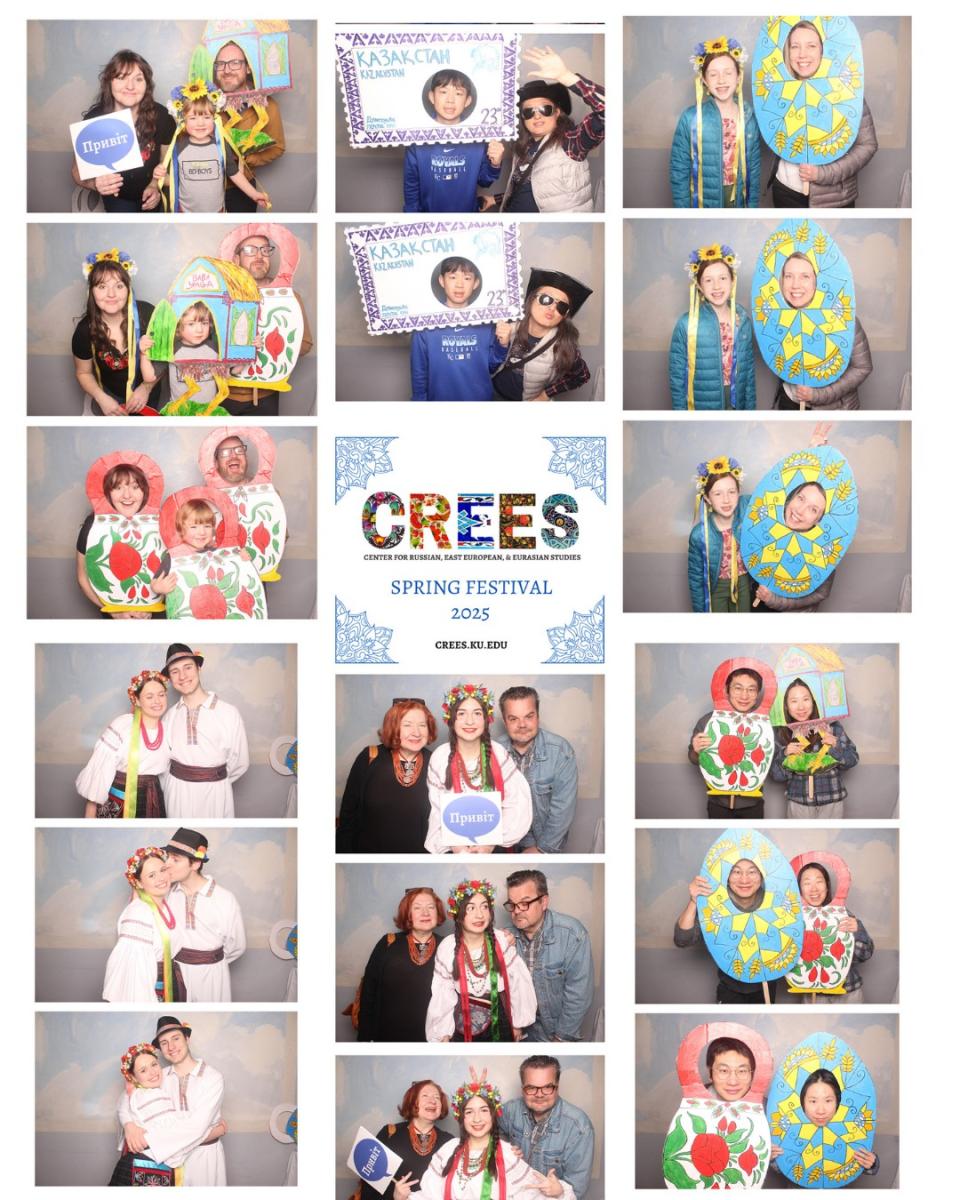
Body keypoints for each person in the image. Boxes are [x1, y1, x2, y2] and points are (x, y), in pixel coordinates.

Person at [769, 21, 878, 208]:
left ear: (823, 50)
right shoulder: (779, 91)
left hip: (832, 198)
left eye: (811, 45)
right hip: (785, 191)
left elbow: (867, 145)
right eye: (795, 46)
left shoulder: (847, 92)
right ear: (788, 51)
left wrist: (823, 173)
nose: (802, 54)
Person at [418, 1077, 576, 1198]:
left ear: (493, 1115)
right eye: (469, 1112)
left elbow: (532, 1193)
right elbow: (428, 1194)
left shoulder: (507, 1153)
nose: (477, 1118)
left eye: (484, 1110)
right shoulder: (448, 1149)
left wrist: (559, 1192)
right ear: (462, 1118)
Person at [494, 46, 604, 213]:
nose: (537, 116)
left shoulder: (572, 143)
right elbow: (534, 189)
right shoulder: (523, 148)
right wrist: (494, 199)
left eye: (545, 109)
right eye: (529, 112)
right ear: (523, 118)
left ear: (557, 112)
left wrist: (565, 76)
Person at [425, 683, 532, 854]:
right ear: (451, 720)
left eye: (477, 713)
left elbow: (516, 802)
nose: (470, 721)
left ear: (486, 719)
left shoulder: (498, 753)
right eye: (461, 714)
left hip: (493, 847)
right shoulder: (440, 756)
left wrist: (490, 843)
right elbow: (438, 809)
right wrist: (457, 846)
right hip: (454, 848)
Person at [119, 1016, 227, 1186]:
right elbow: (127, 1098)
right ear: (160, 1049)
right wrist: (128, 1126)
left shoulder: (212, 1077)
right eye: (164, 1043)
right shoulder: (160, 1075)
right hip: (166, 1160)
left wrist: (146, 1139)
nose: (171, 1047)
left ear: (187, 1038)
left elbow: (195, 1127)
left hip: (203, 1158)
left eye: (176, 1038)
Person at [219, 225, 315, 415]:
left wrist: (271, 337)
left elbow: (305, 345)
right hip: (223, 396)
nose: (259, 256)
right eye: (250, 250)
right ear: (236, 259)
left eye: (265, 249)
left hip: (266, 398)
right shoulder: (222, 297)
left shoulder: (289, 297)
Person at [425, 879, 536, 1042]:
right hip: (462, 1024)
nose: (480, 914)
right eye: (471, 908)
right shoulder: (448, 947)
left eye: (484, 906)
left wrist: (518, 1023)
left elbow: (518, 982)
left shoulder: (501, 940)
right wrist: (443, 1033)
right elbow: (443, 993)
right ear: (458, 915)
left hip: (500, 1021)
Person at [72, 50, 174, 213]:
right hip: (118, 199)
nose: (130, 86)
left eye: (138, 79)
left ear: (147, 84)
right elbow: (76, 172)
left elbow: (165, 163)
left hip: (151, 197)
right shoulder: (95, 120)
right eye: (121, 77)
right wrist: (95, 184)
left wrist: (155, 185)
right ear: (109, 82)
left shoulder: (162, 117)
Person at [771, 252, 873, 409]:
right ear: (781, 281)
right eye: (789, 276)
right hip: (788, 403)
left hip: (832, 408)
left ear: (817, 281)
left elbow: (862, 367)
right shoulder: (776, 320)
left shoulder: (844, 320)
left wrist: (817, 395)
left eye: (805, 276)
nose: (795, 284)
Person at [159, 644, 249, 819]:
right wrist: (173, 788)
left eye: (188, 667)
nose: (183, 676)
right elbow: (163, 763)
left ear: (199, 668)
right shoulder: (170, 716)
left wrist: (214, 781)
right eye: (175, 671)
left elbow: (240, 761)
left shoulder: (228, 712)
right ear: (170, 678)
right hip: (178, 793)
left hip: (216, 792)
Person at [337, 699, 437, 853]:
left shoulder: (437, 763)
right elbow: (347, 816)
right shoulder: (369, 757)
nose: (416, 732)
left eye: (422, 725)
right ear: (394, 727)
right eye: (407, 725)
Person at [670, 36, 761, 207]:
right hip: (704, 203)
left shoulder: (749, 118)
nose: (721, 80)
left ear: (738, 77)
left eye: (728, 73)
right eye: (713, 74)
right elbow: (679, 171)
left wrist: (752, 208)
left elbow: (754, 171)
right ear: (704, 80)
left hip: (738, 201)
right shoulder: (690, 118)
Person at [674, 859, 780, 1003]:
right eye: (736, 871)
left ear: (761, 875)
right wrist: (694, 901)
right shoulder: (715, 903)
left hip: (767, 988)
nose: (744, 879)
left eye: (752, 871)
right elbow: (682, 939)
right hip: (729, 990)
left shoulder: (775, 901)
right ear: (726, 876)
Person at [505, 872, 593, 1042]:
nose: (516, 911)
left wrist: (561, 1038)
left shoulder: (572, 934)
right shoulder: (504, 937)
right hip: (519, 1030)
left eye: (524, 903)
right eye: (512, 904)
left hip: (556, 1032)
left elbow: (579, 994)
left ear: (543, 902)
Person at [153, 85, 267, 213]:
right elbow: (170, 178)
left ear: (214, 118)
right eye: (193, 118)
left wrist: (254, 194)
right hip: (185, 213)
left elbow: (233, 173)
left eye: (206, 117)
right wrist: (159, 173)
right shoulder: (178, 146)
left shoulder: (220, 145)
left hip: (217, 212)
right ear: (183, 120)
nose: (200, 123)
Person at [410, 258, 511, 402]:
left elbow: (490, 367)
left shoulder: (488, 321)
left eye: (467, 278)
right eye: (452, 277)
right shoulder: (425, 322)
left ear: (475, 283)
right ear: (441, 280)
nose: (459, 284)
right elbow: (419, 373)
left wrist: (502, 345)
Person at [73, 250, 160, 416]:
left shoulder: (147, 314)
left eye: (119, 286)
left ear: (128, 289)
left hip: (149, 394)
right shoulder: (84, 331)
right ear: (91, 291)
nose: (111, 294)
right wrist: (101, 398)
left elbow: (164, 360)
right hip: (109, 397)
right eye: (102, 286)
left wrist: (146, 388)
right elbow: (83, 372)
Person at [403, 69, 504, 212]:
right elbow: (411, 190)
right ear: (432, 97)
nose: (450, 100)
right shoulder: (416, 138)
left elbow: (485, 181)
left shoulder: (479, 136)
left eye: (458, 93)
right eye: (443, 92)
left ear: (468, 100)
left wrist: (495, 163)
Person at [164, 828, 246, 1003]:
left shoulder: (224, 898)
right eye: (168, 857)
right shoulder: (168, 895)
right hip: (176, 972)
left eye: (175, 859)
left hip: (212, 975)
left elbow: (237, 945)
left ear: (195, 864)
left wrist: (211, 962)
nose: (167, 864)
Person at [669, 245, 755, 410]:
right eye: (708, 280)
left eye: (722, 278)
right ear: (699, 286)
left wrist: (750, 410)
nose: (716, 286)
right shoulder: (686, 324)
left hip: (737, 404)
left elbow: (749, 374)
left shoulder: (743, 321)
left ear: (732, 281)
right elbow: (677, 379)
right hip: (702, 404)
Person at [76, 668, 170, 818]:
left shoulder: (167, 729)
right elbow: (99, 772)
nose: (157, 701)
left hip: (153, 801)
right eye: (149, 696)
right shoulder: (123, 725)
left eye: (161, 695)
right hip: (120, 799)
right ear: (137, 700)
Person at [356, 888, 446, 1041]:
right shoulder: (388, 943)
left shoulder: (447, 946)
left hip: (431, 1038)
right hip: (387, 1036)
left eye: (431, 907)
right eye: (417, 907)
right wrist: (365, 1038)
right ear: (407, 914)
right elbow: (368, 992)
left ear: (437, 913)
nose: (425, 912)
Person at [75, 459, 161, 619]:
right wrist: (115, 612)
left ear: (145, 491)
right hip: (113, 615)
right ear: (108, 493)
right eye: (118, 488)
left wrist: (150, 608)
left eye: (135, 487)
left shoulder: (162, 523)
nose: (127, 495)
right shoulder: (92, 525)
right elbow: (82, 578)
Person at [499, 1056, 594, 1200]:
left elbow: (577, 1190)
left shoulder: (579, 1127)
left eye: (547, 1087)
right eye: (531, 1087)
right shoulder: (509, 1110)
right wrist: (502, 1150)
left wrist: (559, 1190)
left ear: (557, 1087)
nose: (539, 1094)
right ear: (523, 1089)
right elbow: (488, 1131)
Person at [496, 687, 578, 853]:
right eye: (513, 719)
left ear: (538, 716)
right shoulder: (493, 750)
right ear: (505, 722)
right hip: (503, 843)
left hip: (545, 842)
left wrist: (541, 849)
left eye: (529, 716)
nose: (522, 725)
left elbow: (563, 809)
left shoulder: (560, 751)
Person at [493, 270, 592, 402]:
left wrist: (545, 395)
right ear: (531, 299)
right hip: (493, 394)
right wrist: (502, 345)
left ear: (565, 315)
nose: (552, 308)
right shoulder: (507, 327)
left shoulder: (563, 345)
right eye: (546, 299)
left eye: (561, 306)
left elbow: (582, 376)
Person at [103, 846, 185, 1003]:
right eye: (152, 875)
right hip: (152, 991)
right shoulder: (138, 913)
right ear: (139, 883)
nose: (161, 878)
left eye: (162, 870)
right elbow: (136, 976)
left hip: (169, 984)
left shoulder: (166, 905)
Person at [213, 41, 286, 213]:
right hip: (203, 186)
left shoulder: (268, 107)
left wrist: (245, 159)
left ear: (248, 68)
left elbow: (278, 147)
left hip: (242, 189)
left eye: (235, 63)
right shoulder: (205, 104)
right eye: (221, 64)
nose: (227, 70)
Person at [771, 679, 860, 816]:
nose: (801, 707)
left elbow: (853, 759)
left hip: (832, 798)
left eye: (806, 699)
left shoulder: (832, 726)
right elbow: (777, 776)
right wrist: (785, 754)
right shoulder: (782, 732)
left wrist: (835, 747)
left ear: (814, 701)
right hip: (798, 801)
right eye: (794, 701)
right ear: (786, 706)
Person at [688, 666, 767, 819]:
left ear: (757, 694)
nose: (744, 695)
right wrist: (696, 751)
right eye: (738, 688)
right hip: (718, 805)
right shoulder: (708, 722)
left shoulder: (763, 725)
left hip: (752, 805)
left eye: (751, 689)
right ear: (727, 690)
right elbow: (692, 758)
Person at [359, 1080, 456, 1200]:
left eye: (437, 1098)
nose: (432, 1100)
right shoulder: (389, 1133)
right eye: (425, 1095)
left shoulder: (449, 1142)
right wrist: (395, 1198)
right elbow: (368, 1187)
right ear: (412, 1101)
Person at [771, 1069, 878, 1176]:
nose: (821, 1111)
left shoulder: (854, 1130)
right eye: (813, 1101)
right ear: (802, 1102)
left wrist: (872, 1164)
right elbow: (784, 1168)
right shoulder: (787, 1132)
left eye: (828, 1101)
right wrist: (768, 1158)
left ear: (838, 1102)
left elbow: (863, 1167)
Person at [794, 860, 873, 1003]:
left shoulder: (844, 915)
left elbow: (865, 954)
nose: (814, 889)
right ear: (799, 889)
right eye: (807, 883)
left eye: (819, 882)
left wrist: (855, 933)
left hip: (848, 991)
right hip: (814, 994)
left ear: (827, 886)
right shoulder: (792, 922)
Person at [687, 456, 752, 612]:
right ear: (707, 498)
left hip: (743, 584)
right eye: (717, 494)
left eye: (731, 492)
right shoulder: (699, 535)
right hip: (716, 587)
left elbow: (776, 499)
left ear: (739, 492)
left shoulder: (748, 509)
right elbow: (695, 578)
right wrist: (699, 610)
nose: (726, 500)